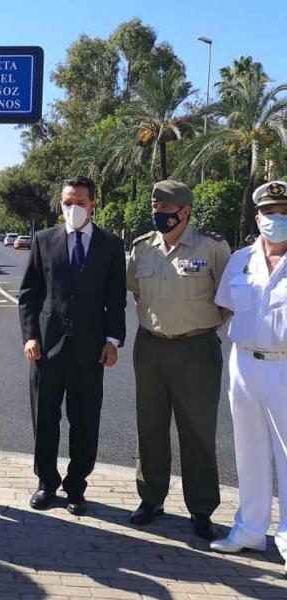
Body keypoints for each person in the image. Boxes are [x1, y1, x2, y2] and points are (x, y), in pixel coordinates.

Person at [125, 179, 230, 540]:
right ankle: (151, 499)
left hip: (196, 349)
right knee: (150, 426)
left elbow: (226, 298)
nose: (159, 215)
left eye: (166, 211)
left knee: (198, 431)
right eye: (155, 209)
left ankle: (201, 508)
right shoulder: (141, 249)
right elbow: (135, 290)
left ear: (185, 211)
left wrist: (199, 327)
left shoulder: (213, 247)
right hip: (151, 346)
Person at [19, 176, 126, 516]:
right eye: (67, 202)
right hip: (46, 349)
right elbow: (28, 295)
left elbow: (116, 299)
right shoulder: (43, 240)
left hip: (89, 350)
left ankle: (77, 486)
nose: (73, 208)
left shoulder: (110, 245)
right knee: (45, 420)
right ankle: (46, 484)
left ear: (93, 204)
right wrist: (30, 336)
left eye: (80, 202)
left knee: (84, 421)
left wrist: (112, 341)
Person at [211, 181, 287, 569]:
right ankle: (250, 530)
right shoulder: (240, 259)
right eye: (270, 213)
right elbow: (224, 307)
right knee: (249, 448)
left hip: (285, 365)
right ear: (257, 218)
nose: (276, 220)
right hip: (242, 362)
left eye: (283, 213)